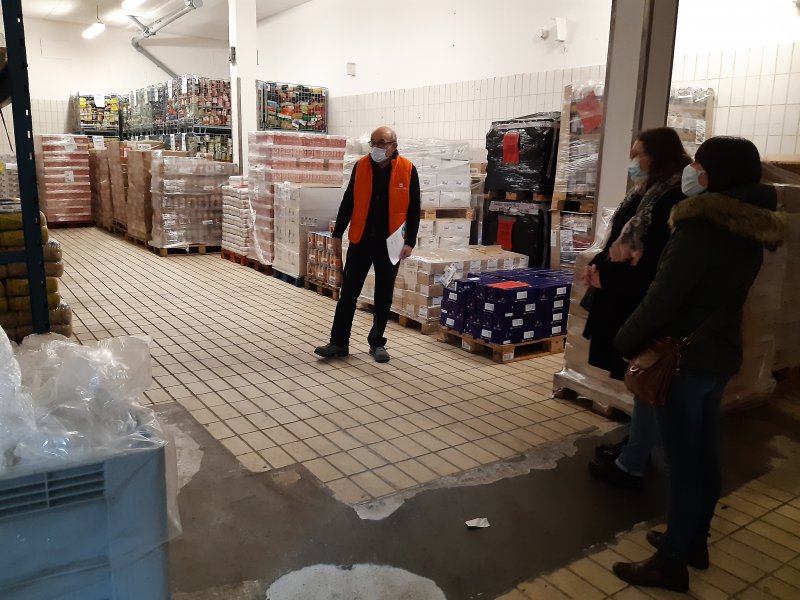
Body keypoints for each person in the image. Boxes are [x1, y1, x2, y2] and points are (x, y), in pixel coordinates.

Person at [611, 136, 785, 593]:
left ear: (718, 174)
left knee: (684, 465)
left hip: (683, 358)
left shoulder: (701, 227)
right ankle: (692, 540)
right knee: (703, 454)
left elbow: (664, 296)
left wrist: (625, 338)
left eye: (701, 166)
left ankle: (671, 562)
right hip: (719, 353)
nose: (694, 172)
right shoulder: (751, 226)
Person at [582, 128, 691, 489]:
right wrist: (598, 263)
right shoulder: (646, 191)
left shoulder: (674, 197)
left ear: (658, 156)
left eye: (638, 155)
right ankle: (636, 445)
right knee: (636, 377)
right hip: (620, 290)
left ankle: (635, 459)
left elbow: (652, 258)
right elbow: (619, 237)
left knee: (646, 379)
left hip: (637, 297)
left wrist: (608, 275)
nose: (633, 162)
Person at [314, 126, 421, 363]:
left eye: (381, 143)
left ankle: (377, 343)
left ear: (393, 145)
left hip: (390, 244)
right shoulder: (361, 166)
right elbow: (349, 200)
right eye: (373, 143)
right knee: (348, 294)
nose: (376, 148)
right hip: (361, 240)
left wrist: (410, 242)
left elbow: (414, 209)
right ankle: (338, 342)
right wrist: (337, 233)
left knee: (383, 296)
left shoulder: (407, 169)